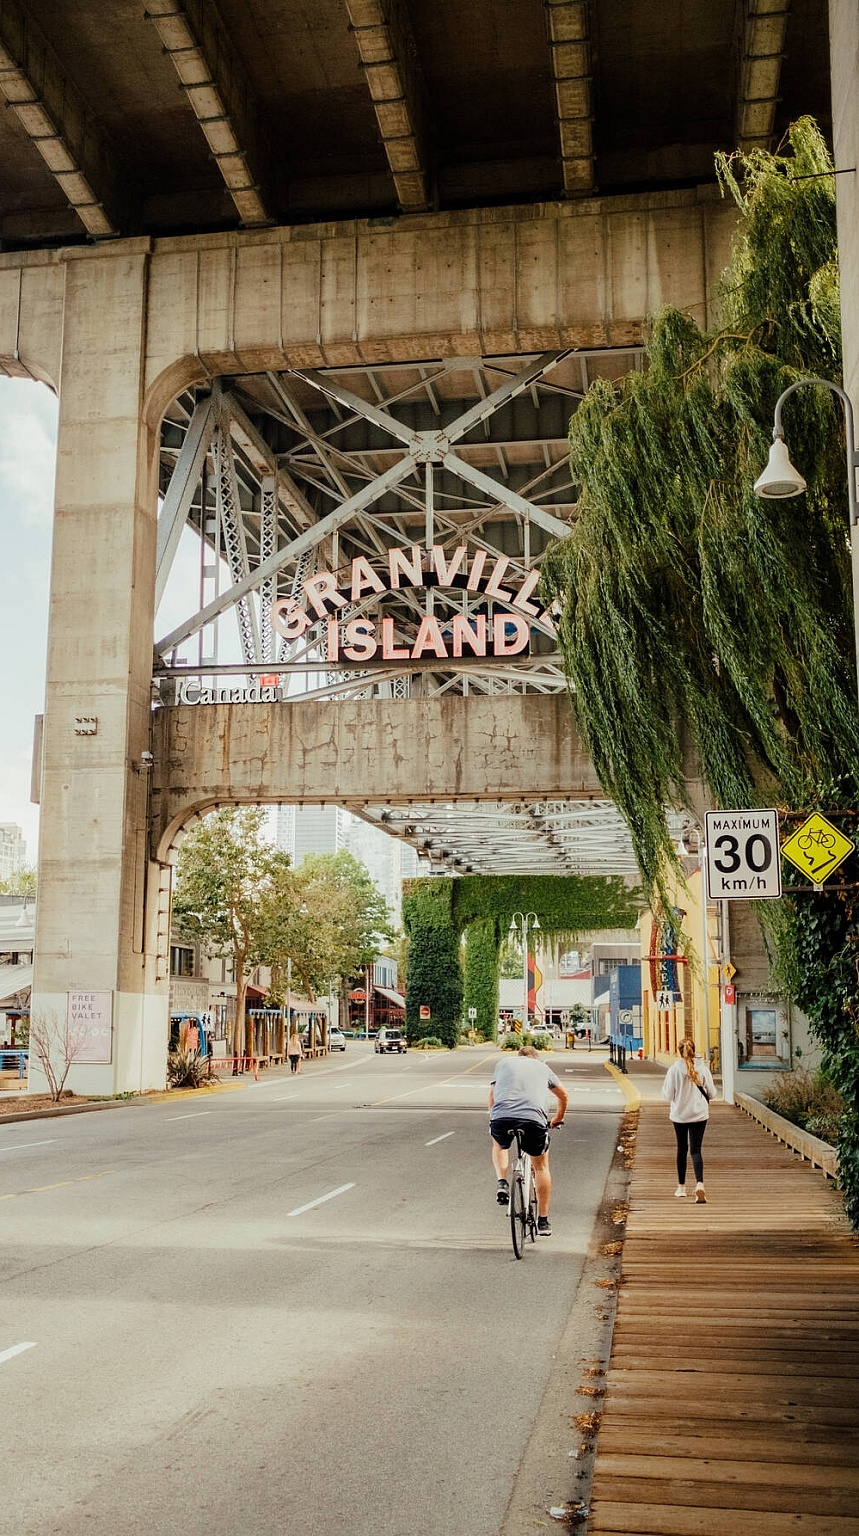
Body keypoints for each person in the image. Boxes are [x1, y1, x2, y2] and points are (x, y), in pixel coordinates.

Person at [488, 1045, 568, 1237]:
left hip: (502, 1116)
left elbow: (492, 1096)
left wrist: (494, 1118)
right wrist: (557, 1119)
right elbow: (564, 1096)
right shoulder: (542, 1067)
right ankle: (543, 1220)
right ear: (535, 1058)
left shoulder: (503, 1064)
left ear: (518, 1056)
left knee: (499, 1144)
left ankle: (501, 1182)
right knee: (541, 1167)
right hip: (533, 1120)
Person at [662, 1036, 717, 1202]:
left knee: (682, 1149)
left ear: (679, 1052)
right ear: (694, 1051)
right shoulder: (703, 1069)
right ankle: (700, 1184)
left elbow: (667, 1095)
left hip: (679, 1115)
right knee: (696, 1150)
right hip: (699, 1114)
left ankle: (681, 1188)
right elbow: (712, 1093)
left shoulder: (673, 1070)